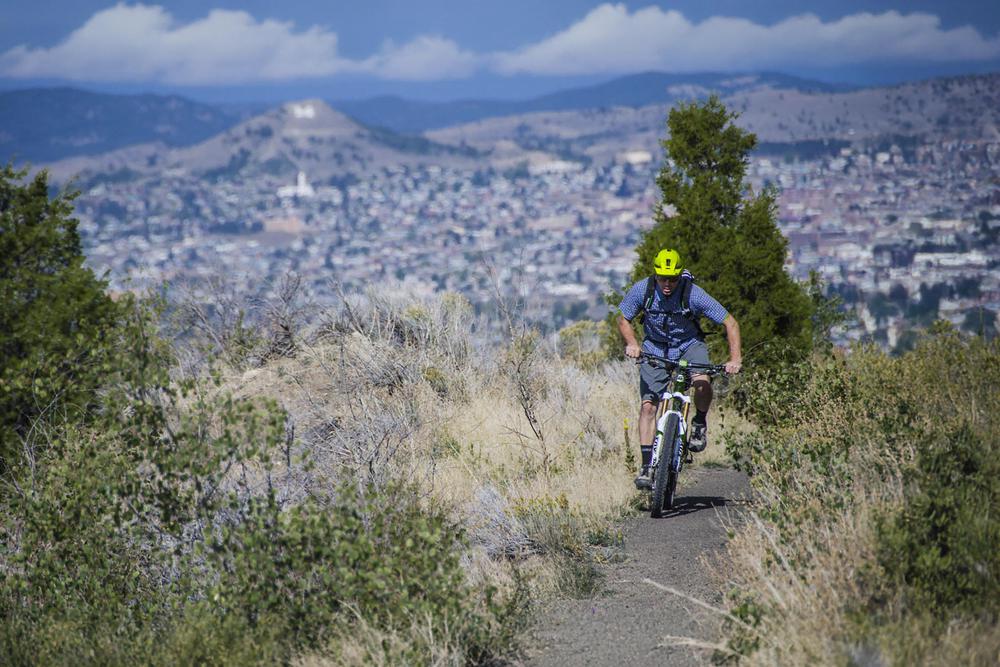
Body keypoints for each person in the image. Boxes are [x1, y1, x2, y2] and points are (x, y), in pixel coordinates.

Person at [617, 248, 742, 489]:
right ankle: (646, 467)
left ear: (679, 276)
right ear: (655, 275)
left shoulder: (693, 293)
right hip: (655, 347)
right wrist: (632, 344)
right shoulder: (643, 290)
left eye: (672, 278)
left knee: (702, 382)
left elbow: (730, 322)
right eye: (662, 278)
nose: (667, 284)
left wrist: (735, 359)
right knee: (648, 406)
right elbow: (623, 318)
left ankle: (699, 423)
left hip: (689, 344)